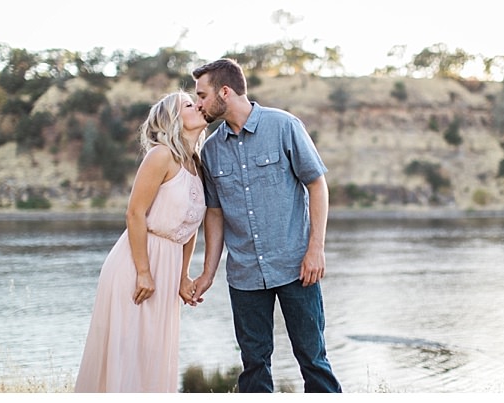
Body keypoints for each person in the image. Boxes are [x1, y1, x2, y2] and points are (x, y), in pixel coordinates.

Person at [187, 58, 342, 393]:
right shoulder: (211, 150)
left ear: (224, 92)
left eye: (202, 95)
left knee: (312, 359)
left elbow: (317, 184)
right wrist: (208, 273)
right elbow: (214, 214)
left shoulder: (284, 126)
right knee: (254, 365)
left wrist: (315, 249)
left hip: (296, 267)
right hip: (244, 276)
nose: (198, 103)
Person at [75, 90, 207, 392]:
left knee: (153, 355)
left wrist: (183, 275)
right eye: (189, 104)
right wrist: (144, 272)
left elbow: (191, 226)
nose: (198, 105)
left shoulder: (197, 165)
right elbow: (134, 213)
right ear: (173, 119)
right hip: (136, 264)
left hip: (169, 268)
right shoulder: (160, 155)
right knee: (127, 355)